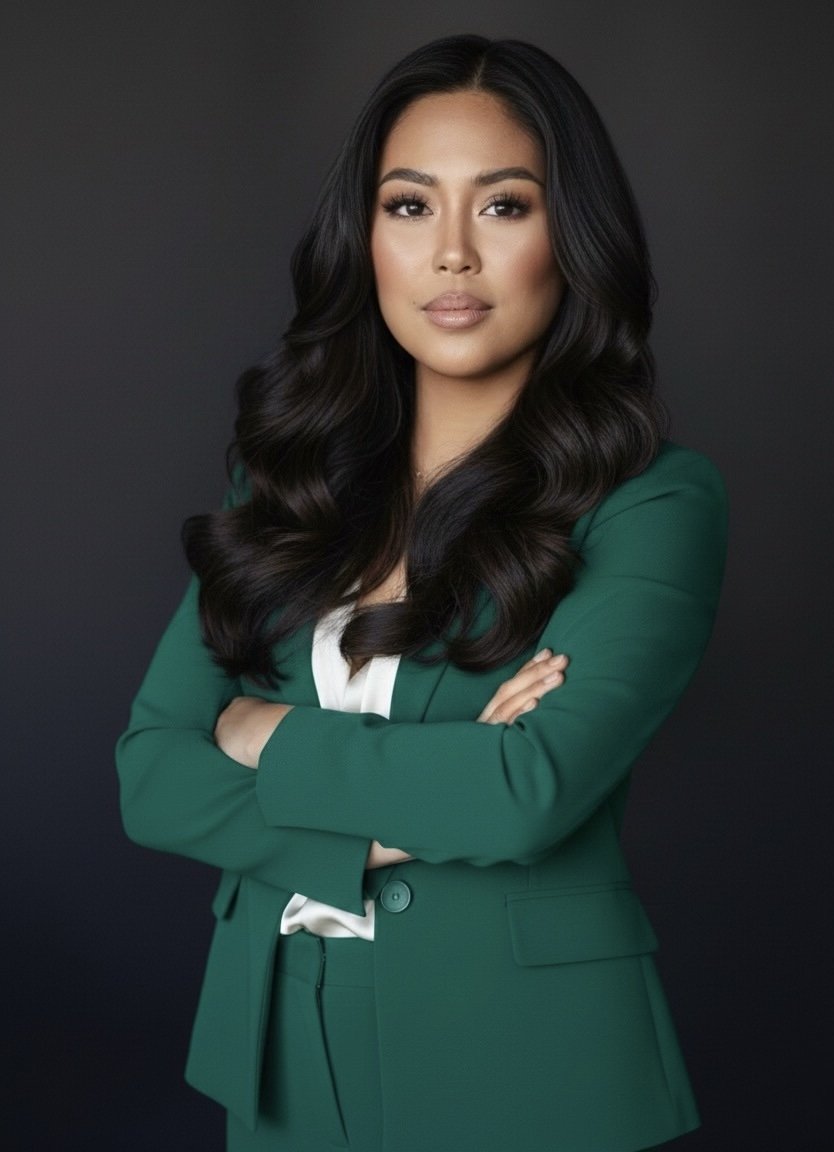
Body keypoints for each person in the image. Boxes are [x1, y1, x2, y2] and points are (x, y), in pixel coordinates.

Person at [116, 33, 727, 1152]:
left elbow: (526, 789)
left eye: (501, 208)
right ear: (366, 239)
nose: (451, 255)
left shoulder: (649, 503)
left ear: (570, 238)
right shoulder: (286, 479)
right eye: (408, 206)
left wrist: (263, 731)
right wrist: (397, 818)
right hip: (283, 1047)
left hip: (525, 1057)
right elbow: (150, 775)